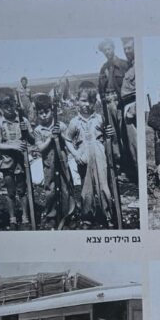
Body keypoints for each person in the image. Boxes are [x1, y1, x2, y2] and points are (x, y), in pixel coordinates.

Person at [64, 89, 115, 227]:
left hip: (99, 154)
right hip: (83, 156)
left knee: (104, 187)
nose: (87, 104)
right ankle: (87, 217)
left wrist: (110, 133)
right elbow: (67, 140)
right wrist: (75, 154)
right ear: (77, 101)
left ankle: (108, 215)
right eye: (83, 100)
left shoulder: (100, 118)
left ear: (95, 102)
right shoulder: (74, 122)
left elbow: (109, 135)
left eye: (91, 101)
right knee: (87, 190)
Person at [30, 93, 77, 229]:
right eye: (41, 113)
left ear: (52, 110)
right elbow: (40, 148)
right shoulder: (38, 130)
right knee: (50, 190)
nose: (44, 115)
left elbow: (68, 141)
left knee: (66, 188)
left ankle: (69, 214)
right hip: (48, 165)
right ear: (37, 114)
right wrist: (50, 138)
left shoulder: (60, 125)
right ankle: (51, 216)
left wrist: (60, 134)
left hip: (62, 163)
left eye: (47, 112)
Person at [0, 87, 32, 229]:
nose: (9, 108)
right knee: (11, 192)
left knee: (22, 190)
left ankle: (25, 217)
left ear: (15, 103)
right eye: (5, 106)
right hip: (7, 163)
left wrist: (26, 131)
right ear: (0, 107)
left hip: (21, 162)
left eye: (11, 104)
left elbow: (31, 139)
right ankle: (12, 218)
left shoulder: (22, 120)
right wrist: (13, 146)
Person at [97, 38, 130, 178]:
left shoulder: (124, 65)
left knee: (125, 135)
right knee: (114, 136)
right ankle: (119, 167)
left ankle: (130, 167)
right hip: (108, 104)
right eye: (104, 50)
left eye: (109, 49)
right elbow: (100, 90)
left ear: (113, 48)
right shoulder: (103, 69)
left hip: (120, 104)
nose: (107, 52)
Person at [118, 37, 138, 184]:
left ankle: (139, 179)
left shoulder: (138, 66)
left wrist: (134, 109)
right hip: (128, 106)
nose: (126, 51)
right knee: (130, 146)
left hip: (132, 108)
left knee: (135, 146)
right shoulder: (131, 66)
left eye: (129, 48)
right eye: (125, 48)